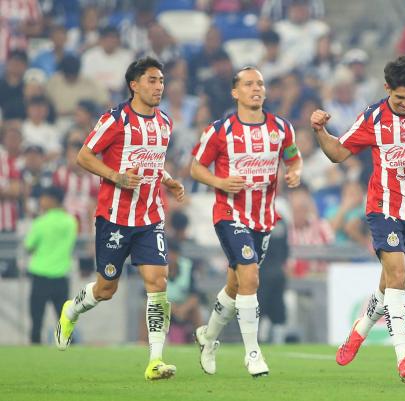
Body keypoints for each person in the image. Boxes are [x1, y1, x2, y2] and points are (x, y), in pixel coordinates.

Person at [310, 55, 405, 382]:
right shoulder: (374, 118)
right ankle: (404, 358)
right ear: (386, 89)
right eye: (398, 98)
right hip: (383, 207)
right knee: (397, 275)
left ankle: (360, 329)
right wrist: (320, 130)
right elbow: (337, 153)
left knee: (392, 281)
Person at [55, 57, 186, 381]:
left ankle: (155, 360)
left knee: (158, 283)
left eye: (161, 81)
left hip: (150, 217)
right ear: (134, 84)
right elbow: (84, 155)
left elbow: (152, 161)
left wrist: (167, 179)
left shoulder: (165, 122)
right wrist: (115, 176)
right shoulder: (115, 120)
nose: (159, 87)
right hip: (114, 217)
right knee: (106, 288)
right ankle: (71, 310)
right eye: (152, 80)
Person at [190, 66, 303, 377]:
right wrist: (219, 182)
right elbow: (196, 167)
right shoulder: (220, 130)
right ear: (235, 92)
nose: (257, 88)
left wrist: (295, 171)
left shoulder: (281, 128)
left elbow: (294, 156)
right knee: (251, 277)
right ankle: (253, 353)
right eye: (249, 84)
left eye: (261, 84)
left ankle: (208, 337)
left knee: (236, 284)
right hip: (230, 214)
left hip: (263, 219)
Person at [25, 186, 77, 344]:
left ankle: (35, 349)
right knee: (64, 319)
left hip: (40, 274)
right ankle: (71, 352)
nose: (41, 201)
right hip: (61, 274)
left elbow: (29, 245)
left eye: (43, 198)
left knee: (37, 319)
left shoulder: (40, 222)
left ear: (52, 200)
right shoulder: (71, 221)